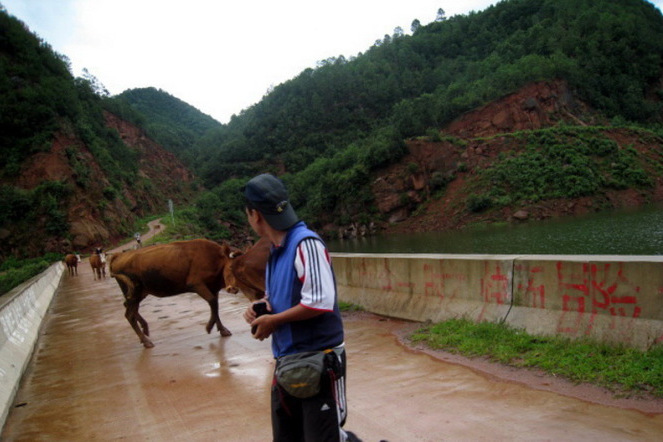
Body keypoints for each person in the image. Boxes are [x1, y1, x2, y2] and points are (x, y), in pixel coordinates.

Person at [241, 173, 360, 442]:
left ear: (254, 215)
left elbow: (320, 300)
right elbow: (277, 297)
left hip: (320, 360)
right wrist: (262, 307)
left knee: (324, 438)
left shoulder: (305, 243)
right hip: (287, 361)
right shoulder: (276, 251)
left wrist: (275, 322)